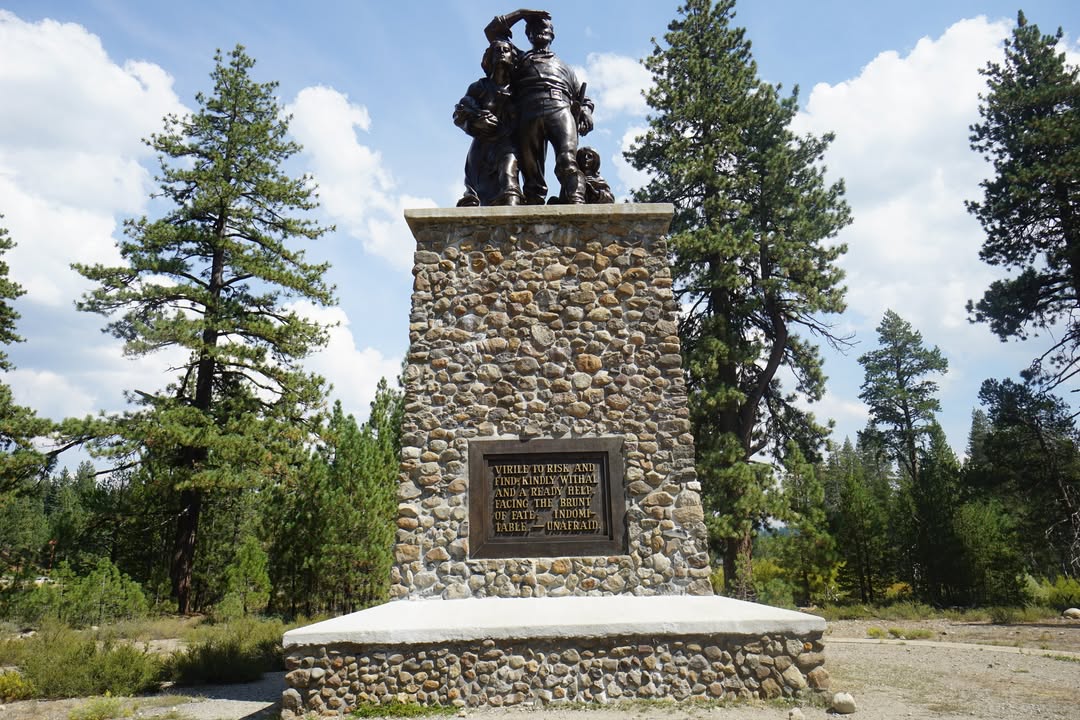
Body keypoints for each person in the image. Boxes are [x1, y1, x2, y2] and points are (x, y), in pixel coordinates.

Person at [484, 9, 594, 205]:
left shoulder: (566, 68)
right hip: (528, 112)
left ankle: (577, 201)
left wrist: (586, 111)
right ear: (528, 35)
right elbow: (492, 32)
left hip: (560, 110)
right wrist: (522, 13)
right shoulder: (518, 58)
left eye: (544, 27)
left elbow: (584, 99)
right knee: (531, 171)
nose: (540, 30)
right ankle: (533, 208)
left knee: (567, 160)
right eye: (534, 28)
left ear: (552, 34)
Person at [453, 39, 523, 207]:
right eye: (497, 50)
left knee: (508, 174)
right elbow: (459, 114)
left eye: (506, 50)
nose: (501, 52)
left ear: (512, 57)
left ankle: (513, 213)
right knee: (477, 190)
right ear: (490, 57)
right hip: (482, 145)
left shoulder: (520, 89)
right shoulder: (479, 87)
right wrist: (477, 122)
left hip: (507, 143)